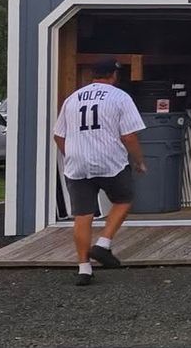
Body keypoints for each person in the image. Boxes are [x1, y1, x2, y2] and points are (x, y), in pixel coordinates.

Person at [52, 59, 147, 285]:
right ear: (114, 75)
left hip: (77, 164)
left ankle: (84, 269)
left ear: (91, 74)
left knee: (82, 216)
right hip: (109, 161)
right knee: (124, 199)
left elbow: (58, 135)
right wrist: (139, 161)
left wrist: (72, 154)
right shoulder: (121, 98)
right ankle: (103, 245)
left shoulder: (72, 99)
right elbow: (129, 136)